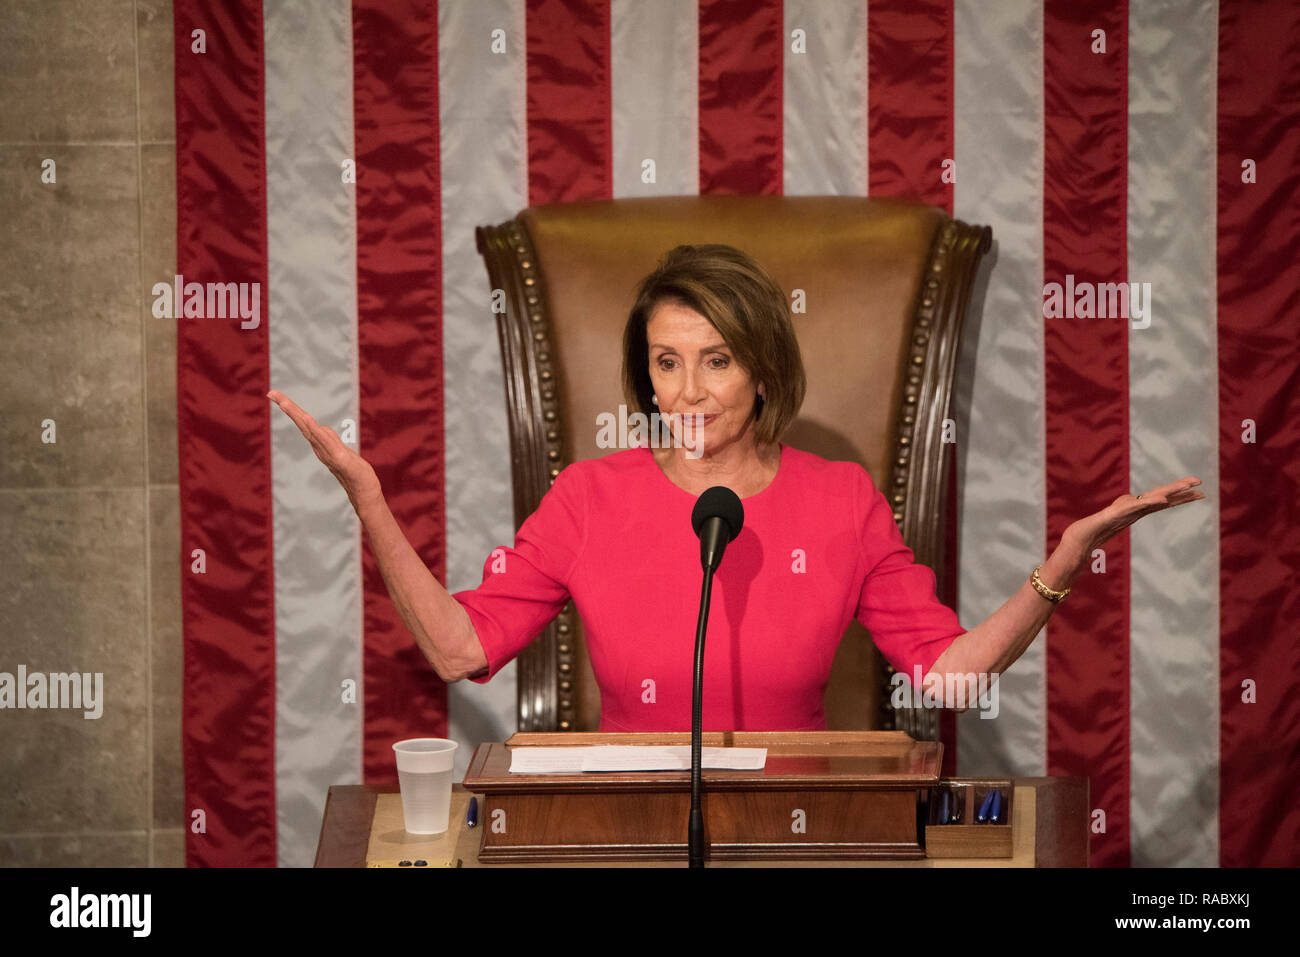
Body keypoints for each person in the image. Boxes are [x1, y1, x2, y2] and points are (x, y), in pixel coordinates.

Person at [269, 244, 1204, 731]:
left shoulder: (841, 501)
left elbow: (946, 679)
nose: (688, 389)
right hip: (626, 836)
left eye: (716, 359)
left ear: (762, 368)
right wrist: (369, 502)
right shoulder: (590, 497)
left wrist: (1059, 566)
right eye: (666, 362)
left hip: (799, 831)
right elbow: (457, 647)